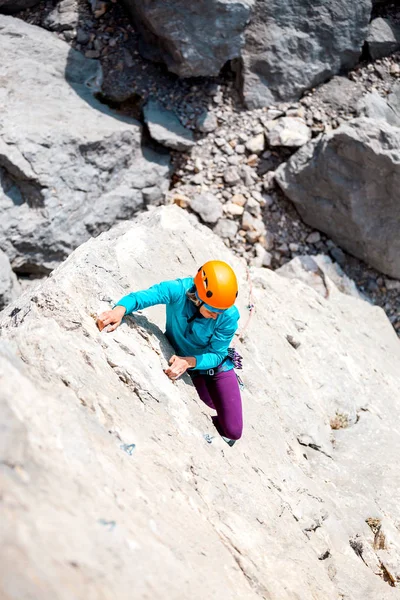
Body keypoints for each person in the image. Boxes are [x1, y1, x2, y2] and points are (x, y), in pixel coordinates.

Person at [96, 260, 243, 445]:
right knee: (210, 402)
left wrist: (188, 362)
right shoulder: (178, 290)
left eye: (221, 311)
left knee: (233, 430)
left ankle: (229, 392)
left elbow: (217, 354)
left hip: (215, 365)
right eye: (213, 311)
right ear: (198, 296)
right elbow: (142, 297)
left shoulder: (228, 316)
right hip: (190, 366)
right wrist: (119, 310)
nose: (217, 316)